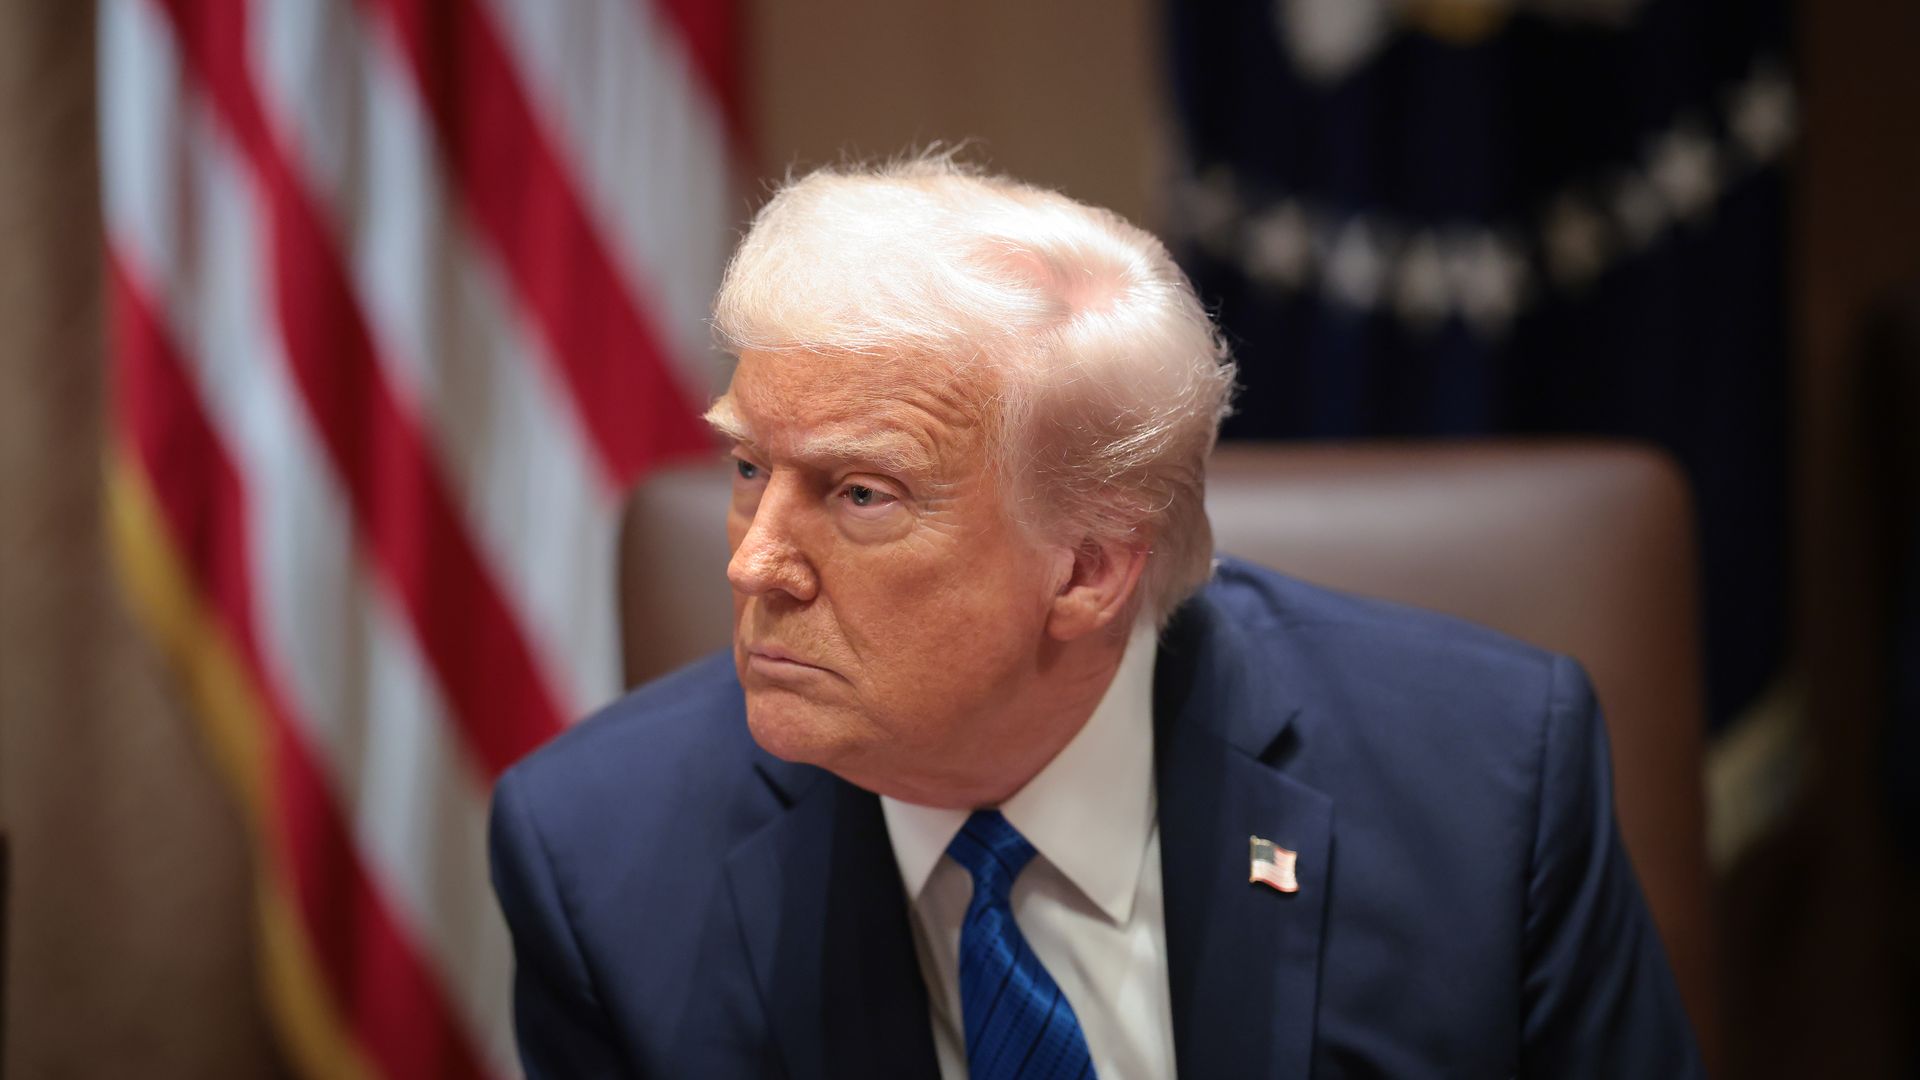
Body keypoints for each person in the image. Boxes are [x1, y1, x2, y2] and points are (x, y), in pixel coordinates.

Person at [489, 156, 1703, 1078]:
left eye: (859, 494)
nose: (755, 563)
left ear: (1088, 570)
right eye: (751, 469)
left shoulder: (1483, 786)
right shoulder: (598, 859)